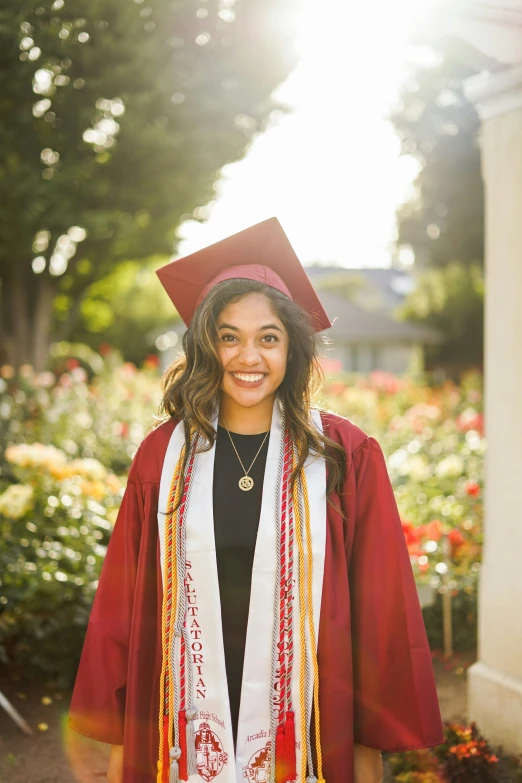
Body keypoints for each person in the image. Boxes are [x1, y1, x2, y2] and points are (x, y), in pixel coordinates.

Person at [68, 217, 444, 783]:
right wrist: (126, 738)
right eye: (229, 336)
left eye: (268, 337)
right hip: (182, 709)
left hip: (313, 706)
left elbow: (379, 612)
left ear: (292, 346)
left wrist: (369, 749)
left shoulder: (344, 454)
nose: (249, 356)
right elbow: (125, 605)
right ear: (205, 345)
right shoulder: (162, 457)